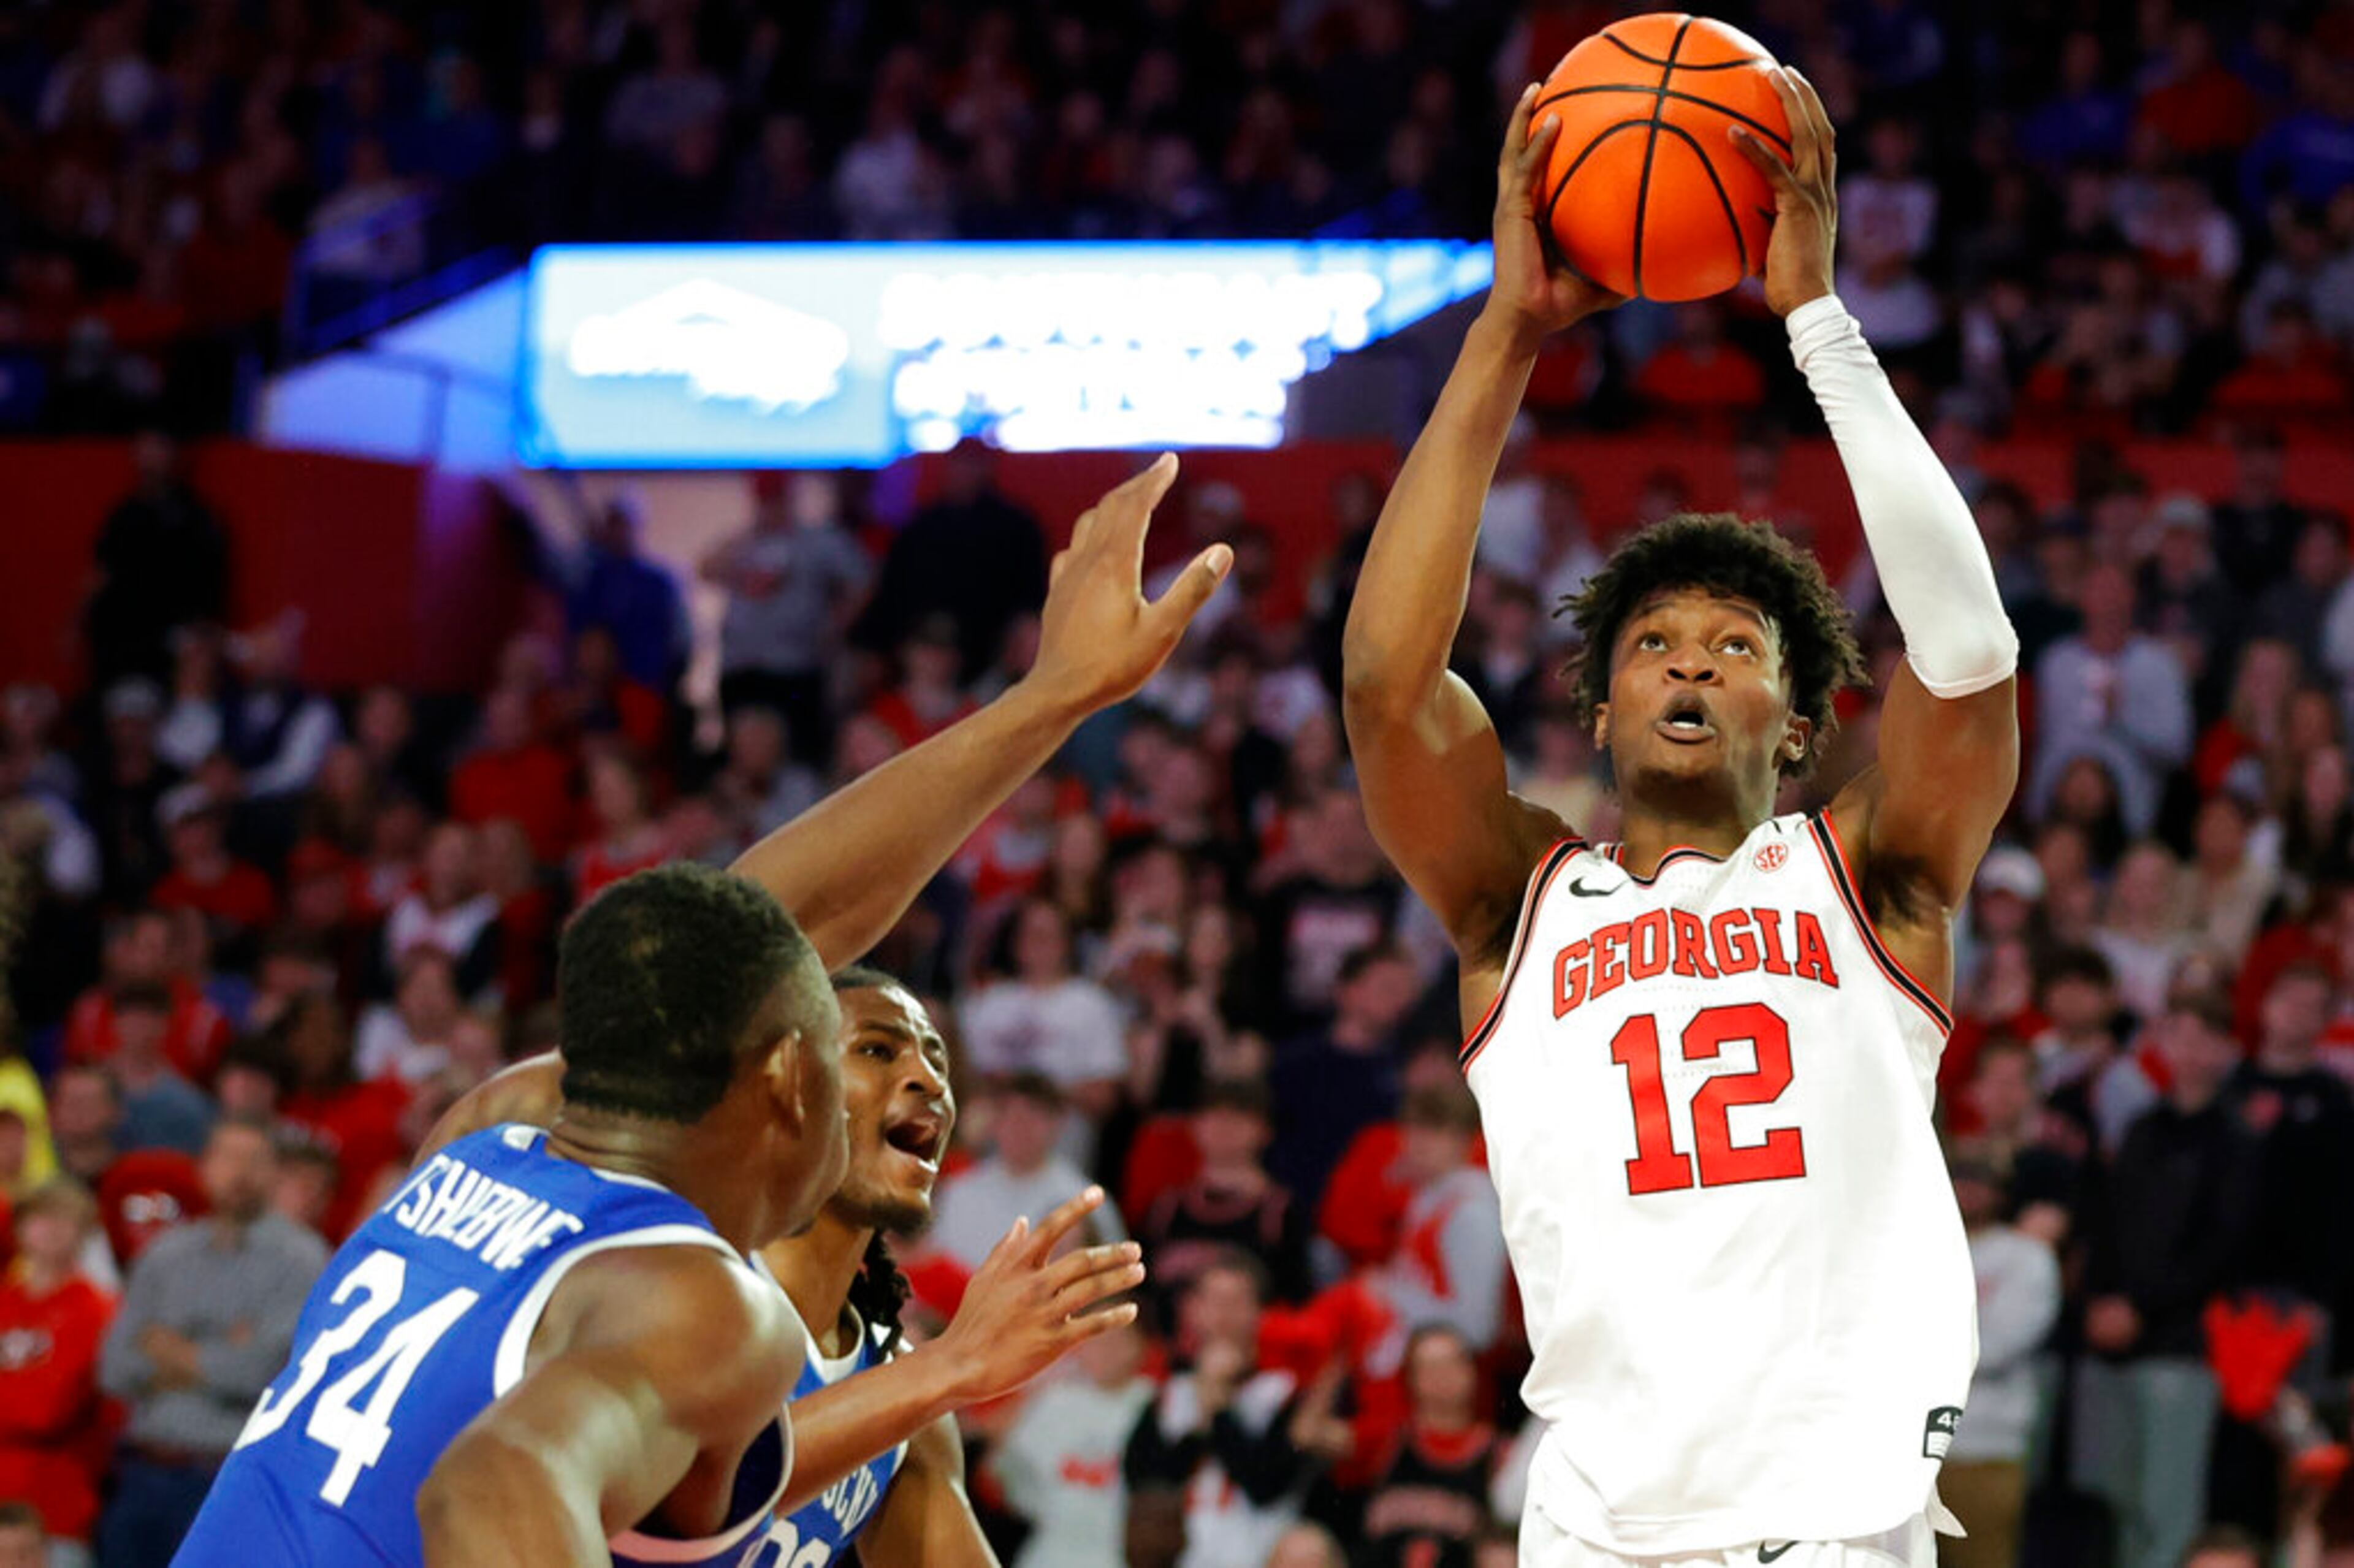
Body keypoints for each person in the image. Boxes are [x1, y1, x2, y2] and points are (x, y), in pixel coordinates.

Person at [1342, 76, 2016, 1567]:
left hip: (1836, 1519)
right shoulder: (1518, 895)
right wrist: (1503, 334)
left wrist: (1818, 327)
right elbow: (1388, 689)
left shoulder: (1872, 872)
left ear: (1798, 719)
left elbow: (1966, 655)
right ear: (1594, 713)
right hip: (1594, 1520)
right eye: (1653, 643)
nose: (1693, 660)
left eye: (1736, 646)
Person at [170, 867, 847, 1568]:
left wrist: (977, 754)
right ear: (790, 1071)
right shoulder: (701, 1299)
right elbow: (488, 1487)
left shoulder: (478, 1138)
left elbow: (742, 942)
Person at [2074, 989, 2261, 1568]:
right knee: (2110, 1510)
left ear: (2227, 1050)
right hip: (2110, 1345)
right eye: (2178, 1033)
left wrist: (2139, 1308)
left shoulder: (2236, 1141)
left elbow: (2222, 1251)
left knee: (2169, 1511)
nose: (2189, 1049)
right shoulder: (2139, 1130)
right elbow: (2106, 1227)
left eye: (2204, 1036)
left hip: (2181, 1348)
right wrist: (2099, 1304)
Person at [99, 1117, 326, 1567]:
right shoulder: (165, 1254)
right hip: (143, 1475)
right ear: (203, 1168)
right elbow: (115, 1367)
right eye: (227, 1158)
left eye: (253, 1161)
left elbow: (260, 1373)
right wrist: (225, 1346)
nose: (239, 1173)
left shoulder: (303, 1260)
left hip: (229, 1481)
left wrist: (169, 1348)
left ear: (274, 1174)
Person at [1124, 1252, 1312, 1568]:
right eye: (1213, 1300)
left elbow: (1266, 1484)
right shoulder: (1170, 1393)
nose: (1224, 1313)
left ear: (1260, 1311)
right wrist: (1202, 1419)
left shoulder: (1285, 1393)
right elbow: (1146, 1482)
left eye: (1237, 1301)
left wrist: (1220, 1407)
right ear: (1194, 1310)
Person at [1938, 1149, 2059, 1568]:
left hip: (1989, 1445)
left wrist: (1919, 1351)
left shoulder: (2027, 1257)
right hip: (1903, 1451)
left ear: (2001, 1191)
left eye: (1981, 1180)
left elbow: (1999, 1347)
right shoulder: (1910, 1245)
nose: (1970, 1190)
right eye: (1961, 1177)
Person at [0, 1178, 116, 1565]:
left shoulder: (96, 1308)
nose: (50, 1229)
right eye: (40, 1218)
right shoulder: (4, 1299)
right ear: (19, 1228)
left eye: (64, 1220)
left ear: (85, 1233)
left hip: (55, 1511)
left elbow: (47, 1410)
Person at [991, 1316, 1157, 1568]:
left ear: (1141, 1347)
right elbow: (1011, 1474)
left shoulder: (1155, 1406)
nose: (1106, 1352)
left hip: (1121, 1555)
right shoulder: (1055, 1401)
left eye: (1117, 1342)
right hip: (1049, 1553)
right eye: (1097, 1341)